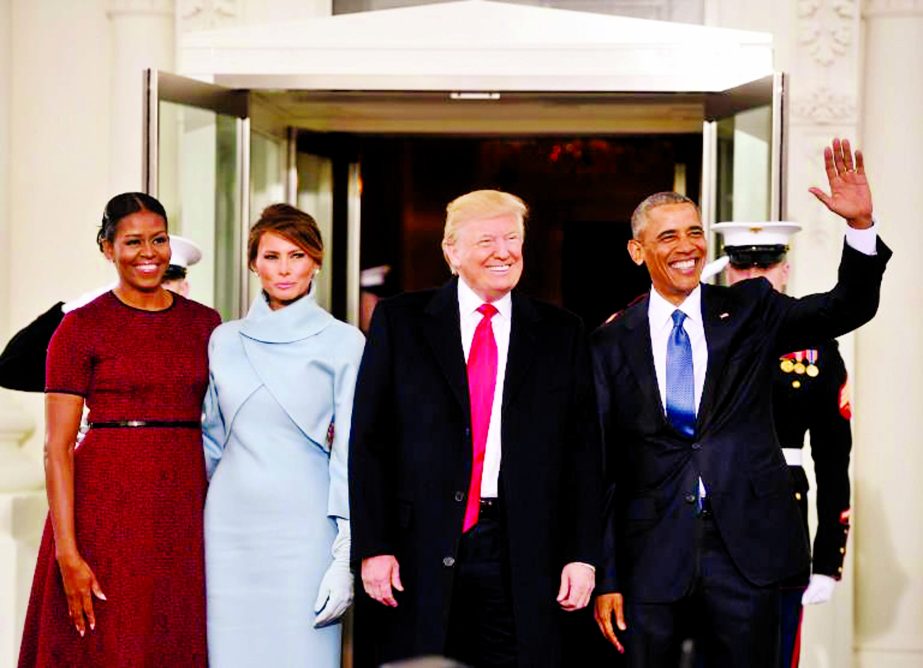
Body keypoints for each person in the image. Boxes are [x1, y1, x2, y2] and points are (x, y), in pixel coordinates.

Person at [590, 138, 890, 667]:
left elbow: (846, 306)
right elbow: (604, 467)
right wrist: (606, 574)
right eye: (668, 236)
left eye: (694, 232)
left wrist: (860, 228)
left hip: (747, 548)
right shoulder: (610, 341)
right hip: (650, 555)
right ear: (638, 251)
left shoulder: (750, 308)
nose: (687, 246)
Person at [349, 189, 601, 668]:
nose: (503, 252)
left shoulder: (561, 332)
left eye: (513, 239)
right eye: (486, 240)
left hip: (523, 546)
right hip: (417, 547)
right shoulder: (400, 322)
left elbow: (584, 455)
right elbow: (370, 443)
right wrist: (374, 546)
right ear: (451, 251)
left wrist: (582, 555)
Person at [18, 193, 221, 667]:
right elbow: (57, 448)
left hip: (182, 508)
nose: (148, 253)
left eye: (159, 239)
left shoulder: (205, 324)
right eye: (133, 242)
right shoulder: (79, 328)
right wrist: (68, 553)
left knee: (172, 635)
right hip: (103, 510)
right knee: (106, 642)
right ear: (107, 249)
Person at [202, 204, 364, 667]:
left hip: (306, 529)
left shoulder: (344, 342)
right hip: (228, 527)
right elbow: (210, 442)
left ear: (316, 261)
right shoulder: (224, 339)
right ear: (253, 262)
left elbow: (349, 454)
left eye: (297, 256)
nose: (284, 269)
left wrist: (345, 555)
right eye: (271, 256)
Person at [715, 221, 852, 667]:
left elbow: (833, 456)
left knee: (773, 651)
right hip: (706, 510)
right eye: (742, 264)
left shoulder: (815, 344)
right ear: (727, 271)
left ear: (786, 270)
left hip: (780, 513)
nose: (755, 274)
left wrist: (828, 557)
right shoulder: (700, 331)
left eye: (767, 264)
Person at [0, 234, 204, 393]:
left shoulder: (202, 340)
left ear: (184, 289)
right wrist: (76, 307)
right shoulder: (103, 344)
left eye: (165, 282)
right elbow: (10, 369)